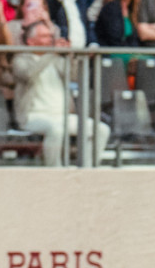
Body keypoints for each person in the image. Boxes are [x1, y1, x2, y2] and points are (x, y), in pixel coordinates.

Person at [13, 20, 108, 165]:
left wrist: (69, 56)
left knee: (101, 129)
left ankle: (89, 168)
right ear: (31, 41)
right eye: (45, 36)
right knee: (56, 130)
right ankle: (55, 170)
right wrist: (51, 53)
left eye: (51, 36)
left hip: (63, 116)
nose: (51, 40)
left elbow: (75, 77)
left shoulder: (55, 59)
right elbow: (28, 75)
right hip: (33, 116)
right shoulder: (20, 59)